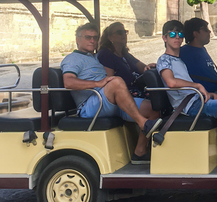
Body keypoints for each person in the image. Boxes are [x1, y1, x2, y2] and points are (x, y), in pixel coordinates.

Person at [157, 20, 217, 172]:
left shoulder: (179, 59)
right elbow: (171, 82)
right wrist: (198, 86)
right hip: (190, 106)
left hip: (198, 99)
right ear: (164, 38)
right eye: (172, 34)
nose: (177, 38)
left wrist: (208, 92)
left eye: (180, 35)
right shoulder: (164, 59)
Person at [61, 23, 163, 163]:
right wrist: (97, 84)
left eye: (95, 38)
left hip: (106, 101)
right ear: (78, 40)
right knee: (115, 81)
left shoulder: (95, 57)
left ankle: (140, 152)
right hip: (90, 105)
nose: (92, 40)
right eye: (88, 37)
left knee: (153, 108)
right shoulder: (72, 59)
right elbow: (68, 82)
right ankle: (143, 123)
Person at [95, 22, 161, 163]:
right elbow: (110, 80)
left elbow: (142, 67)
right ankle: (140, 151)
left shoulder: (125, 54)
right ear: (110, 37)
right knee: (155, 108)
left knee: (163, 98)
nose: (124, 34)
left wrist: (150, 67)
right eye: (119, 32)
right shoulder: (105, 54)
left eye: (125, 31)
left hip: (136, 90)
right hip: (123, 96)